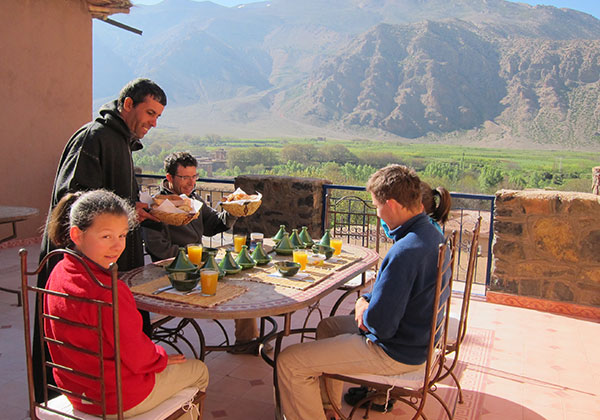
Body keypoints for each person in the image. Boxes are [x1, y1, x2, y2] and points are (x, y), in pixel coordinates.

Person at [276, 164, 449, 420]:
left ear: (391, 204)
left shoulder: (405, 252)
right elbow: (389, 295)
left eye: (377, 207)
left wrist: (362, 307)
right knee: (328, 327)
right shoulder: (432, 234)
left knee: (289, 362)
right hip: (419, 341)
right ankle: (326, 409)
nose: (378, 215)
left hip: (396, 352)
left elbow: (380, 326)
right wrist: (366, 301)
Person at [34, 78, 166, 402]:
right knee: (79, 348)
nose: (153, 122)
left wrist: (132, 210)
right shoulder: (94, 137)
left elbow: (111, 202)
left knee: (114, 341)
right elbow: (76, 204)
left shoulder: (119, 141)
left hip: (106, 262)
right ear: (127, 105)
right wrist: (122, 214)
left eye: (158, 117)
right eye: (149, 112)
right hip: (84, 269)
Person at [44, 189, 208, 419]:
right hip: (116, 396)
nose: (117, 246)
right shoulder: (106, 290)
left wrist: (155, 358)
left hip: (76, 387)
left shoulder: (58, 271)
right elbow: (138, 356)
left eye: (122, 236)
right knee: (199, 370)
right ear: (77, 235)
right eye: (106, 236)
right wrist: (159, 358)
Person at [142, 152, 259, 353]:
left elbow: (214, 224)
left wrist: (233, 209)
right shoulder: (157, 206)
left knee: (243, 279)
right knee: (234, 281)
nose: (191, 182)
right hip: (174, 272)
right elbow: (158, 249)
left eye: (194, 176)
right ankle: (246, 340)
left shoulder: (193, 200)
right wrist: (191, 259)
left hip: (199, 264)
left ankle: (246, 340)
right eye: (185, 177)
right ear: (169, 178)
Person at [380, 181, 451, 237]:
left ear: (419, 208)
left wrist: (385, 214)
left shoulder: (414, 234)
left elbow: (390, 232)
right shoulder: (432, 227)